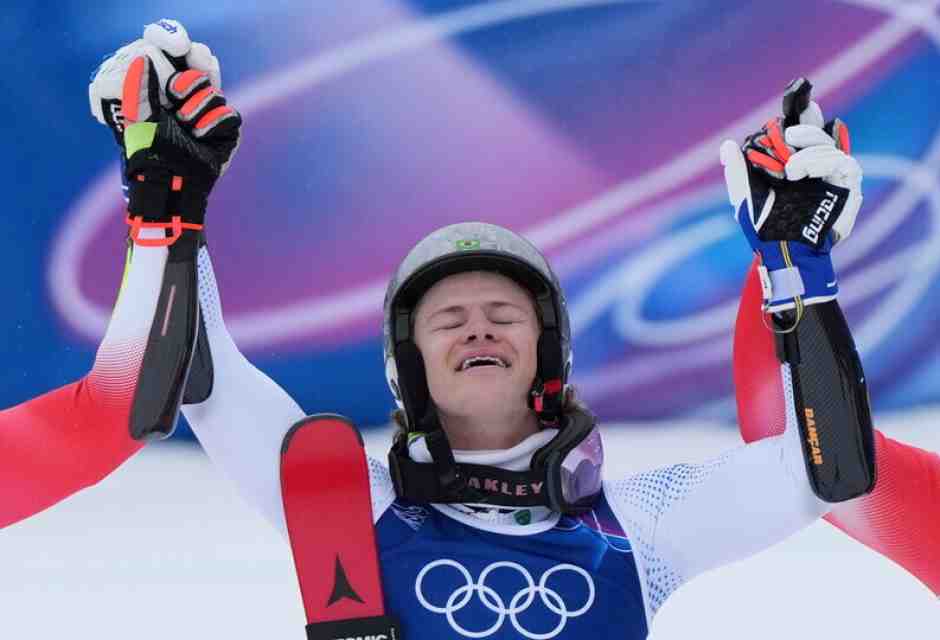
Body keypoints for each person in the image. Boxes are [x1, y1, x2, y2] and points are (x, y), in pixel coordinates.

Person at [2, 19, 938, 638]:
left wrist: (795, 273)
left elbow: (832, 472)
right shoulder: (340, 494)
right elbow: (190, 376)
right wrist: (171, 199)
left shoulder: (646, 524)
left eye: (504, 314)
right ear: (407, 367)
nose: (478, 329)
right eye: (448, 319)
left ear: (550, 353)